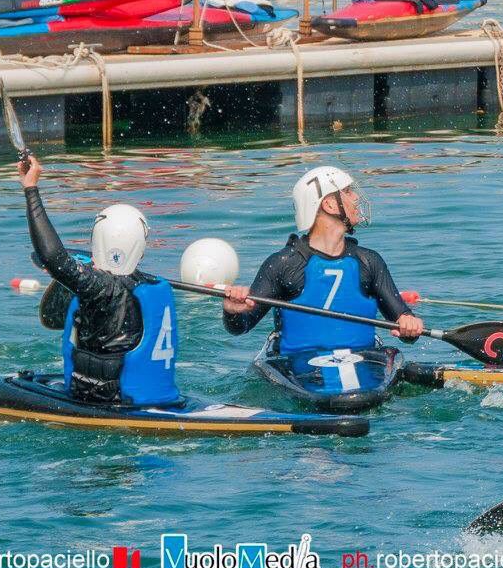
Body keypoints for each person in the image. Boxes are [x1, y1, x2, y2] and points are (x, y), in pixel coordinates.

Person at [23, 156, 180, 406]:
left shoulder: (100, 288)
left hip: (106, 399)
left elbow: (52, 257)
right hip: (155, 397)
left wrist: (31, 188)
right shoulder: (151, 285)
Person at [221, 165, 424, 351]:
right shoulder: (282, 264)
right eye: (348, 191)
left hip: (361, 357)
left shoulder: (369, 262)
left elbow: (403, 323)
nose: (356, 198)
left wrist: (409, 324)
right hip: (299, 364)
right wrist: (232, 312)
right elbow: (241, 327)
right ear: (328, 204)